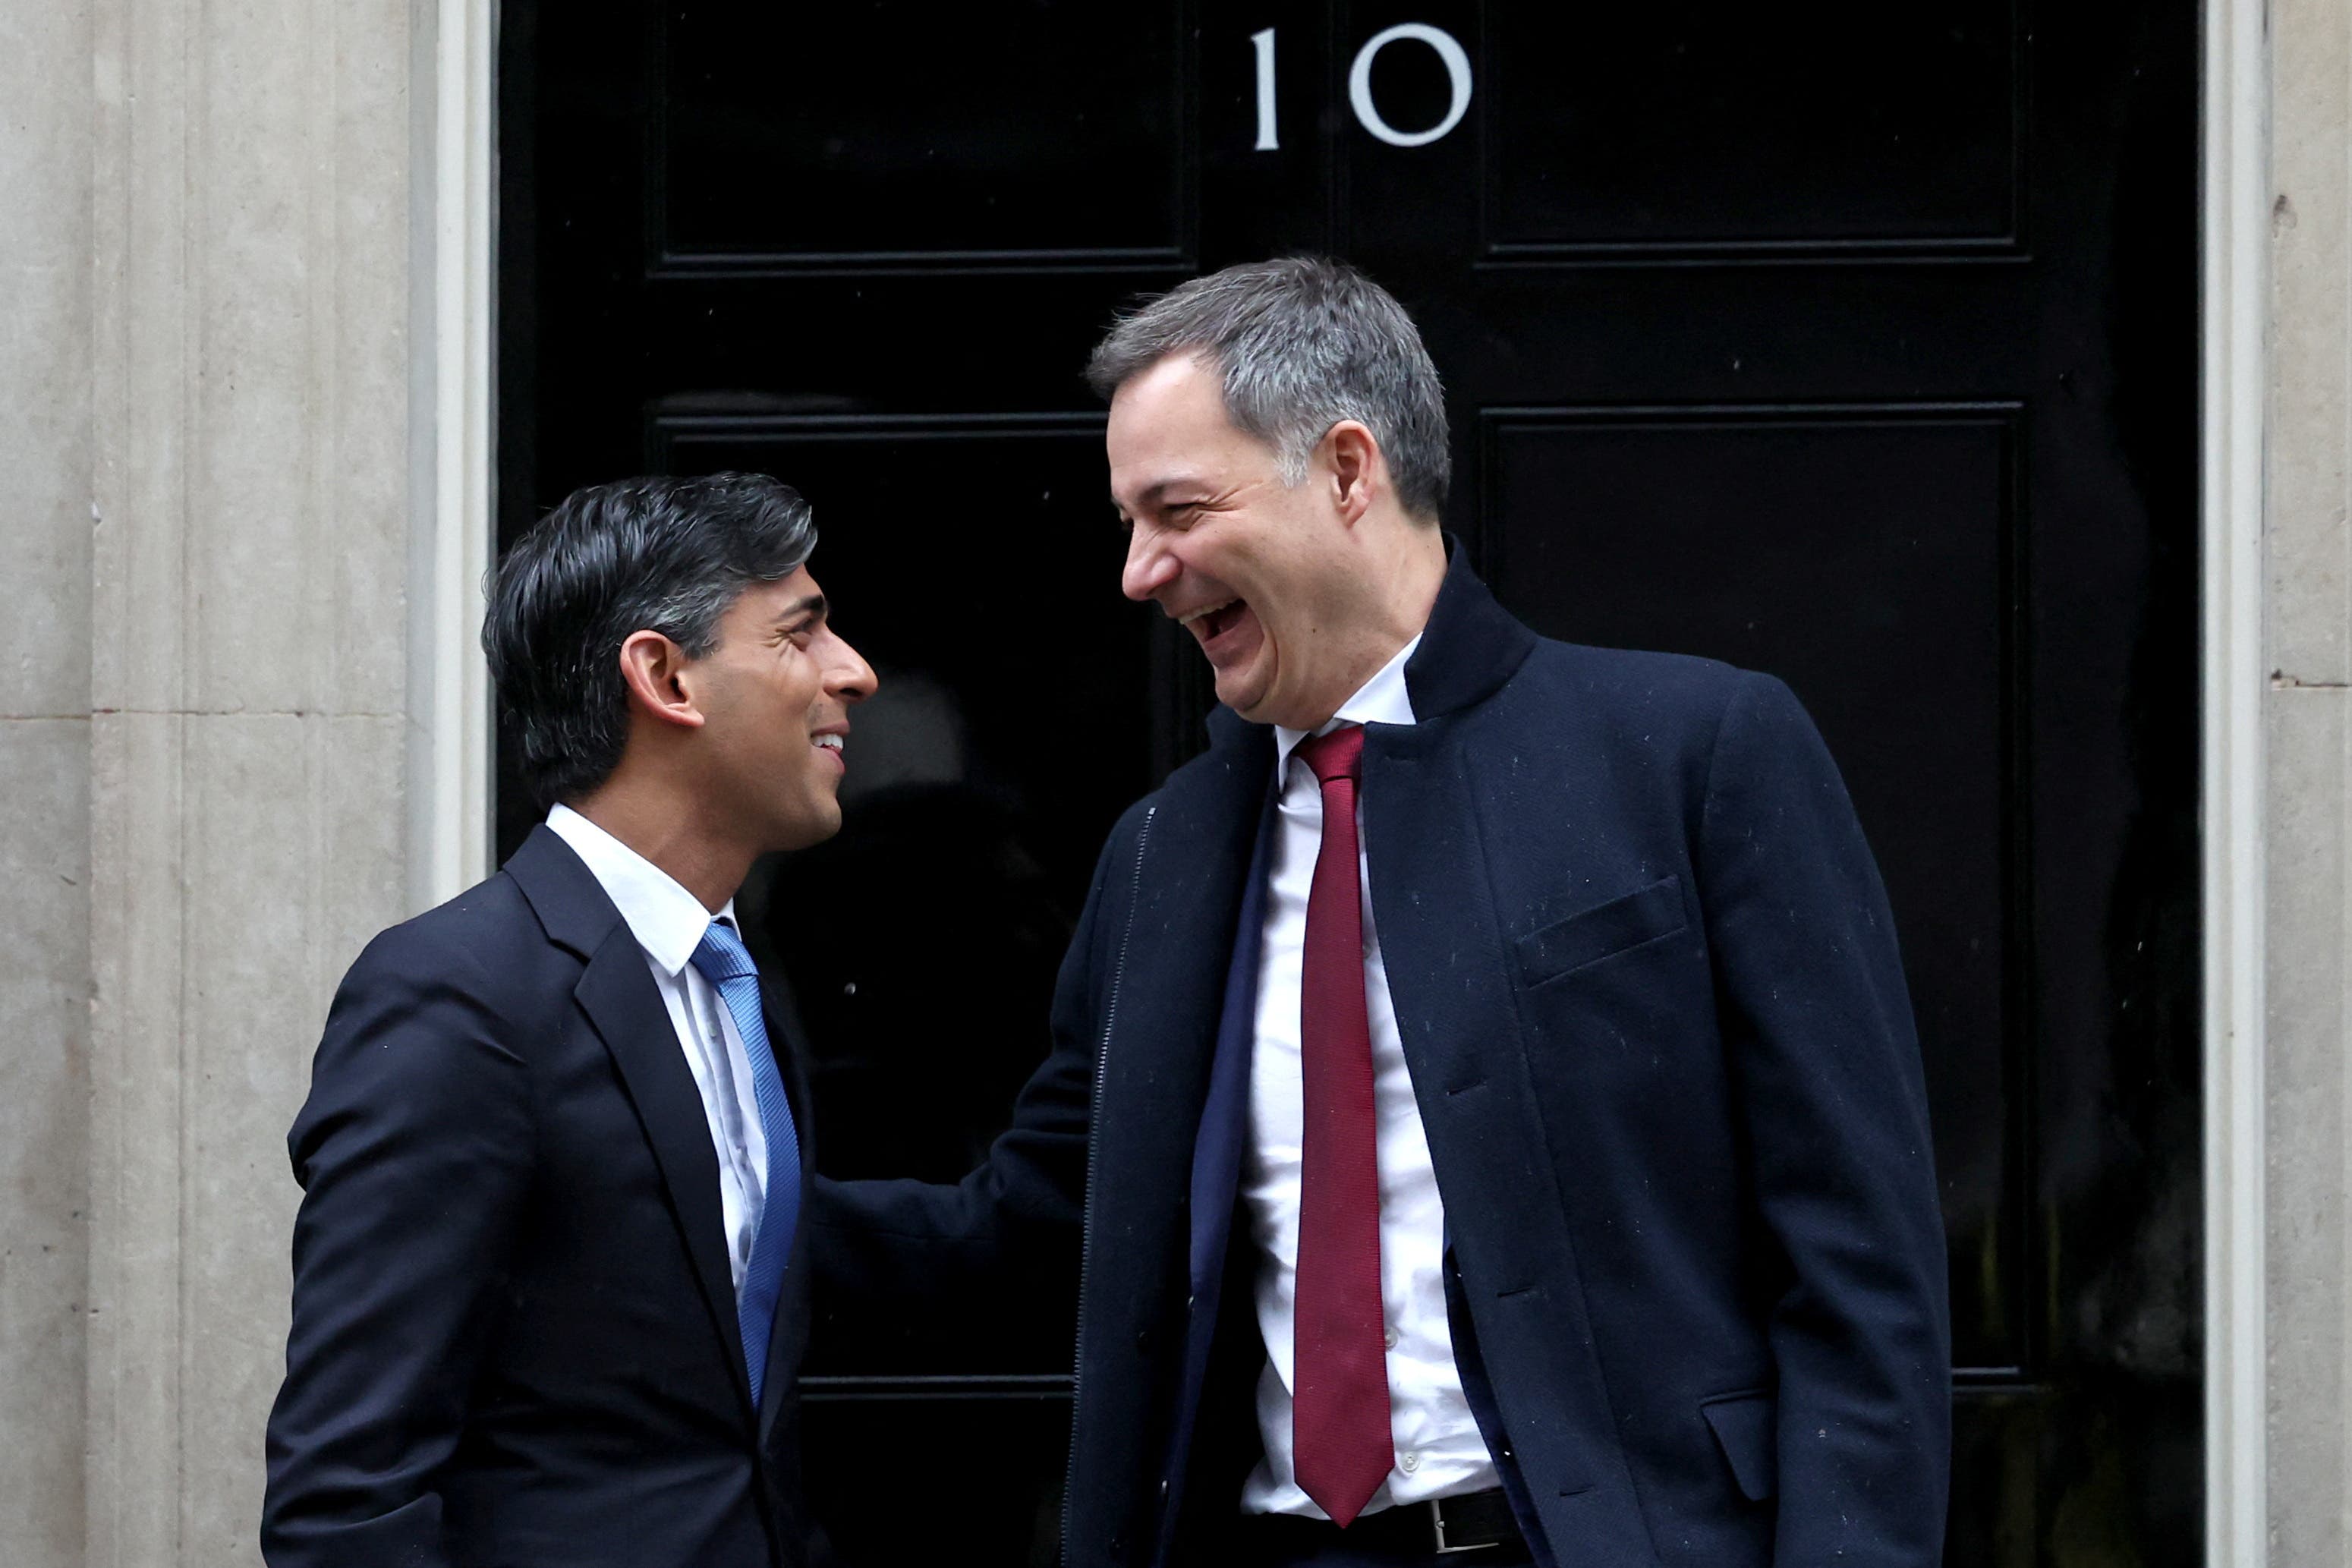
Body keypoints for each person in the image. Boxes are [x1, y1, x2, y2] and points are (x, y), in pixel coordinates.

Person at [812, 257, 1949, 1568]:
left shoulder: (1692, 754)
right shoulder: (1161, 853)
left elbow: (1856, 1263)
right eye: (1129, 521)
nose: (1138, 571)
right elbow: (1037, 1227)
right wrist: (709, 1206)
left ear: (1349, 470)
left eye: (1176, 509)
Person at [262, 473, 875, 1568]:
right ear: (663, 675)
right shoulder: (457, 994)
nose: (854, 671)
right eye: (800, 633)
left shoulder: (738, 982)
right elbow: (349, 1495)